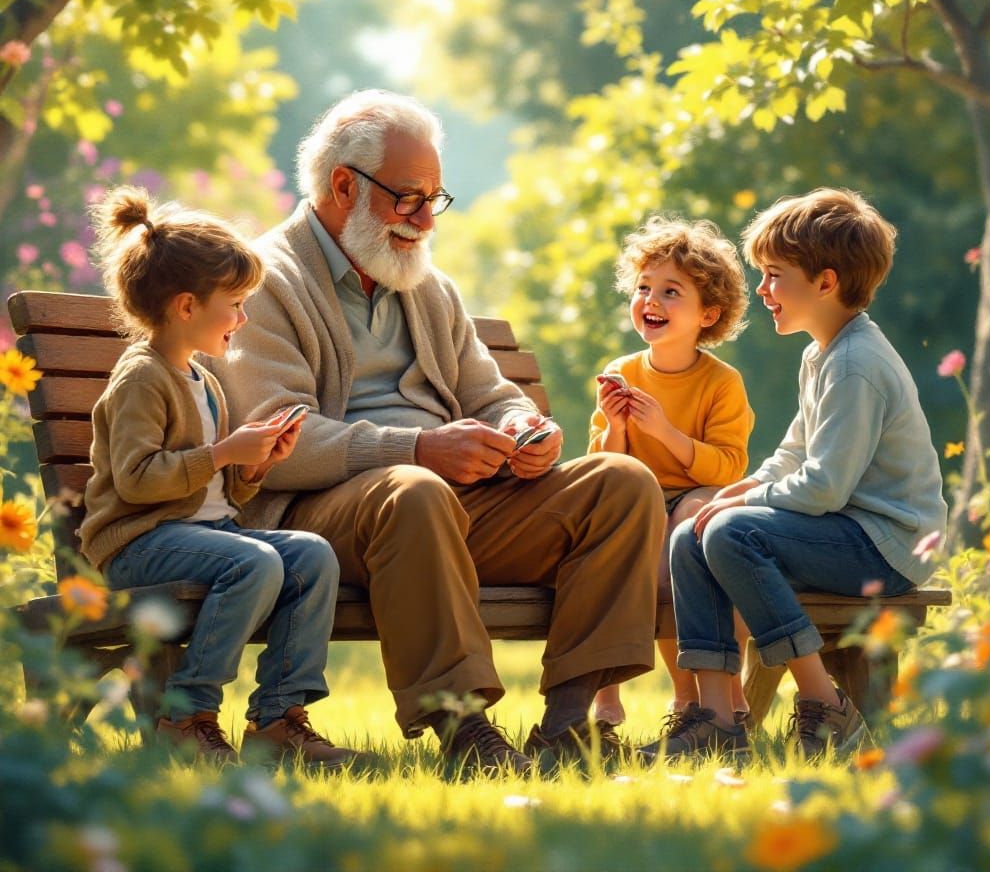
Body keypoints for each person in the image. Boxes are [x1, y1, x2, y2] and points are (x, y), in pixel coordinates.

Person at [211, 89, 665, 774]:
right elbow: (279, 443)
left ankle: (570, 725)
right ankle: (464, 730)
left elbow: (491, 394)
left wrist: (523, 428)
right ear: (343, 185)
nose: (426, 219)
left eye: (435, 198)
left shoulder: (427, 286)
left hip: (443, 506)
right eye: (409, 198)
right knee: (414, 488)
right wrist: (418, 447)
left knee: (622, 483)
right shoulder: (265, 280)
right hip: (327, 519)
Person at [642, 188, 947, 760]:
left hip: (883, 544)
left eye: (774, 275)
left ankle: (824, 703)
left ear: (825, 282)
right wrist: (738, 491)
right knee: (693, 531)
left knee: (731, 533)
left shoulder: (856, 364)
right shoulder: (822, 353)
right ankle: (714, 718)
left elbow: (824, 485)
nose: (762, 290)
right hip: (839, 530)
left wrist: (736, 511)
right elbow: (791, 455)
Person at [80, 186, 365, 770]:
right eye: (234, 304)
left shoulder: (203, 380)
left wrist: (253, 464)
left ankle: (278, 718)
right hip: (139, 544)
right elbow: (136, 482)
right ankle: (186, 714)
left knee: (312, 555)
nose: (242, 318)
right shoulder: (142, 378)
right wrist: (223, 452)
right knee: (254, 562)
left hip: (202, 537)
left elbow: (216, 494)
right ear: (187, 307)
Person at [587, 216, 754, 729]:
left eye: (670, 291)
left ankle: (724, 688)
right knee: (643, 544)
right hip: (637, 498)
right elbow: (603, 465)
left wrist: (662, 431)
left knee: (692, 528)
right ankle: (683, 694)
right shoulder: (622, 372)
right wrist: (616, 426)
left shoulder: (722, 383)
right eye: (643, 287)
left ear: (709, 313)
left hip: (700, 494)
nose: (651, 300)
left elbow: (728, 465)